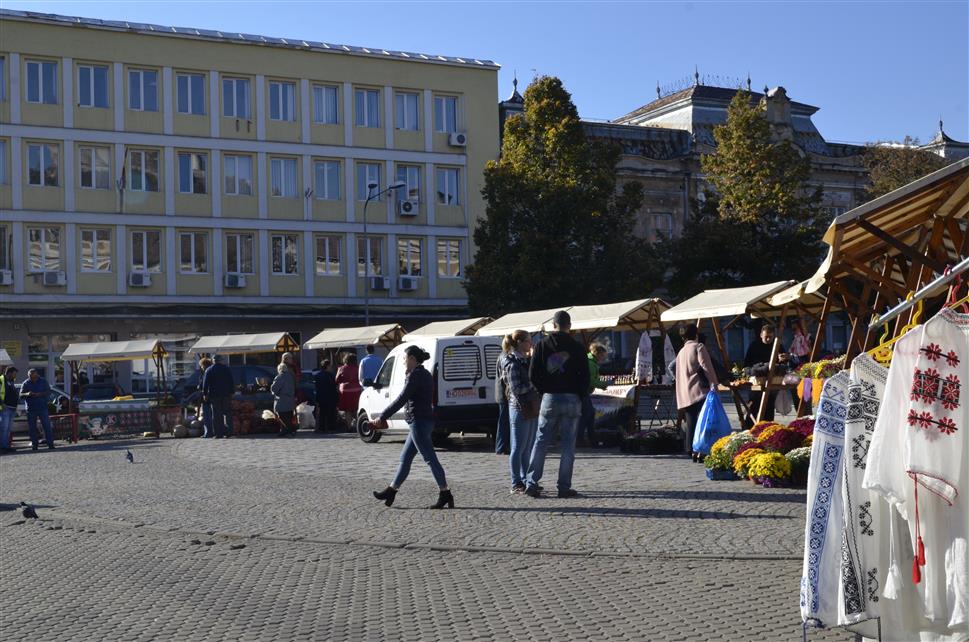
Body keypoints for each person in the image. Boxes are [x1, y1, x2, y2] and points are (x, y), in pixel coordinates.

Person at [371, 345, 453, 509]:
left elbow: (402, 398)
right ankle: (391, 490)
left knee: (430, 459)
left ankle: (445, 493)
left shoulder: (415, 376)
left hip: (419, 422)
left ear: (413, 359)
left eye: (405, 358)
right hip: (423, 421)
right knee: (405, 458)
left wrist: (382, 417)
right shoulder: (424, 374)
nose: (403, 362)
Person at [524, 310, 589, 499]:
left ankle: (532, 483)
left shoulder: (542, 345)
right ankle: (563, 486)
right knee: (568, 444)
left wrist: (544, 390)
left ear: (553, 325)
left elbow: (533, 374)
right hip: (571, 398)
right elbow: (585, 376)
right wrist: (579, 394)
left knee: (541, 441)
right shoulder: (577, 347)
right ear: (569, 326)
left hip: (550, 397)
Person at [501, 331, 539, 494]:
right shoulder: (512, 363)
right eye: (529, 341)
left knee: (527, 447)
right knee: (518, 447)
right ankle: (516, 482)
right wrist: (534, 385)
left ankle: (526, 479)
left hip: (530, 406)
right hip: (519, 407)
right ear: (520, 343)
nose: (531, 344)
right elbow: (516, 389)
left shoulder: (525, 360)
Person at [674, 324, 719, 461]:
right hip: (699, 390)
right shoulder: (698, 347)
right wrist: (714, 384)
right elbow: (706, 367)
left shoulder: (681, 352)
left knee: (691, 421)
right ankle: (701, 450)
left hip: (685, 392)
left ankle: (690, 449)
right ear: (696, 335)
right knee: (703, 421)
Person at [744, 323, 789, 423]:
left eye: (770, 337)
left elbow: (784, 364)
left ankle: (766, 430)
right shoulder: (753, 346)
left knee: (769, 409)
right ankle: (749, 429)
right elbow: (746, 365)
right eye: (766, 337)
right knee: (753, 408)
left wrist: (784, 359)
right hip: (756, 383)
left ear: (774, 336)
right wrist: (753, 371)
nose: (768, 339)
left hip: (772, 383)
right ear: (761, 335)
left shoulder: (778, 345)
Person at [580, 343, 610, 446]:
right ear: (596, 353)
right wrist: (604, 384)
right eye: (602, 355)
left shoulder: (590, 361)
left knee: (589, 414)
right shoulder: (591, 364)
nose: (603, 358)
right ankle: (581, 438)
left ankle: (589, 437)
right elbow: (591, 380)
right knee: (587, 414)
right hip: (582, 391)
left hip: (583, 391)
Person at [20, 369, 54, 451]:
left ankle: (50, 444)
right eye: (31, 377)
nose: (33, 378)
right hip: (31, 408)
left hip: (42, 407)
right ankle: (34, 445)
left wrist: (40, 394)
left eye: (34, 376)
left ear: (37, 375)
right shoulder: (26, 383)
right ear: (29, 376)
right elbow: (21, 395)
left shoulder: (43, 381)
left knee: (47, 426)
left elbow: (49, 391)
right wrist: (27, 394)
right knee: (32, 428)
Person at [201, 355, 235, 438]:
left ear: (213, 361)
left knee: (216, 415)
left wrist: (205, 394)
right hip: (226, 394)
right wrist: (232, 392)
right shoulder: (226, 369)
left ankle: (218, 433)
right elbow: (231, 381)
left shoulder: (209, 370)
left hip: (214, 395)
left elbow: (205, 383)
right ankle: (229, 432)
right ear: (221, 360)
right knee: (228, 413)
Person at [271, 362, 297, 436]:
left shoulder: (280, 377)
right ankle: (285, 430)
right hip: (290, 400)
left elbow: (274, 388)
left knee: (282, 416)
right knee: (288, 416)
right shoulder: (290, 376)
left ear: (279, 369)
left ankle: (289, 429)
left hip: (282, 400)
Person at [335, 353, 361, 426]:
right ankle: (358, 426)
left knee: (347, 410)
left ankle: (349, 426)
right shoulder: (358, 368)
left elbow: (337, 380)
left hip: (345, 392)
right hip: (357, 390)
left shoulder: (341, 368)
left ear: (345, 360)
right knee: (356, 409)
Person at [494, 344, 511, 456]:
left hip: (501, 393)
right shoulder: (505, 357)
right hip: (504, 394)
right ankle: (501, 447)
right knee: (504, 421)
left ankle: (502, 446)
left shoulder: (502, 355)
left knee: (503, 421)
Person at [313, 359, 338, 432]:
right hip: (330, 397)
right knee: (331, 413)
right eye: (330, 366)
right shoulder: (331, 375)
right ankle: (331, 427)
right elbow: (334, 387)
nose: (331, 367)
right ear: (327, 366)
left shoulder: (317, 375)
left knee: (322, 413)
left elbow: (317, 387)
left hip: (321, 396)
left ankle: (322, 428)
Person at [192, 358, 214, 438]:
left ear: (204, 365)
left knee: (207, 416)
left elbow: (204, 385)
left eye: (201, 366)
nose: (201, 367)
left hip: (206, 397)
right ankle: (209, 432)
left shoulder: (206, 373)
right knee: (211, 415)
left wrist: (201, 388)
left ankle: (208, 432)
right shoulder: (210, 372)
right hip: (212, 396)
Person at [0, 367, 19, 452]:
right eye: (14, 373)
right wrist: (1, 403)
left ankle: (6, 445)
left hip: (12, 408)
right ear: (10, 373)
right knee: (4, 428)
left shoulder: (11, 381)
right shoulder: (1, 379)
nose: (15, 375)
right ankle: (3, 447)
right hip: (5, 408)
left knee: (8, 429)